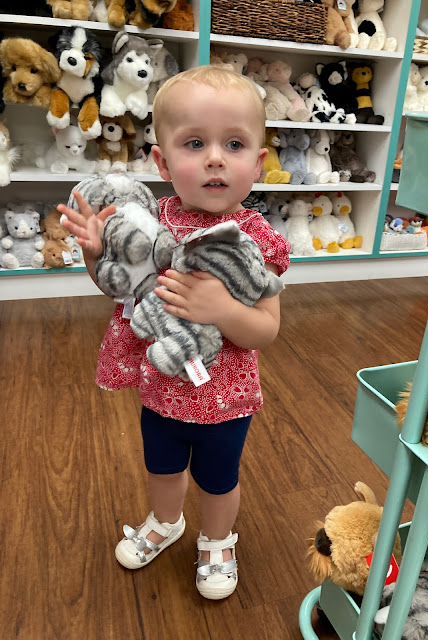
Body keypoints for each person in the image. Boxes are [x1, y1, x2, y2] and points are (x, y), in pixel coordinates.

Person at [58, 65, 290, 600]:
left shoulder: (257, 239)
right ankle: (166, 522)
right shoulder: (148, 221)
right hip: (160, 387)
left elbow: (266, 330)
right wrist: (95, 256)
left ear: (258, 163)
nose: (215, 158)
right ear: (161, 162)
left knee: (218, 479)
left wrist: (221, 308)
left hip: (226, 399)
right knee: (161, 467)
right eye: (195, 143)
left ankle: (217, 539)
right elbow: (122, 290)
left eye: (234, 144)